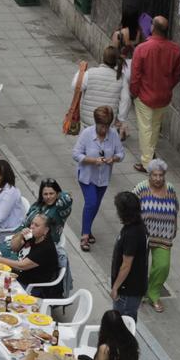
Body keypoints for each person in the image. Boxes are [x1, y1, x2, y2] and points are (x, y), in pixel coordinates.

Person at [128, 15, 180, 168]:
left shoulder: (142, 48)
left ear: (153, 27)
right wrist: (167, 87)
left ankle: (147, 162)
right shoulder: (175, 50)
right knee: (155, 126)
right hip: (163, 96)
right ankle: (150, 154)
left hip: (144, 94)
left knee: (145, 128)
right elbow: (176, 75)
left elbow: (136, 74)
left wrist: (134, 92)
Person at [71, 104, 123, 250]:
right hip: (87, 176)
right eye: (101, 126)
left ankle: (88, 229)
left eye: (107, 126)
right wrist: (93, 161)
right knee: (91, 203)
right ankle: (85, 235)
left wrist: (114, 159)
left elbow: (121, 153)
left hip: (103, 178)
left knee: (95, 205)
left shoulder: (113, 135)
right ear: (96, 123)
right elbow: (76, 154)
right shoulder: (87, 134)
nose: (104, 130)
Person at [136, 160, 179, 312]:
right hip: (143, 234)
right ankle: (138, 293)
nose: (158, 178)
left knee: (163, 266)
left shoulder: (171, 189)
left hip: (164, 234)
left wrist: (175, 226)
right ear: (149, 175)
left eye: (161, 175)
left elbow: (175, 209)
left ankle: (153, 293)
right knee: (139, 265)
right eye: (155, 175)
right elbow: (131, 208)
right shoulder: (141, 189)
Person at [74, 44, 130, 139]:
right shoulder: (121, 78)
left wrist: (80, 71)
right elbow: (126, 99)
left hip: (88, 121)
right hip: (107, 123)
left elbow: (76, 86)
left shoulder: (90, 73)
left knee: (85, 147)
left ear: (103, 58)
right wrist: (121, 118)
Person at [109, 190, 149, 319]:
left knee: (122, 323)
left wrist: (115, 287)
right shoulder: (135, 227)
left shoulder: (132, 233)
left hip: (128, 290)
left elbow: (126, 265)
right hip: (131, 287)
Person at [2, 212, 64, 295]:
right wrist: (21, 235)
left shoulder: (46, 247)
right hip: (18, 276)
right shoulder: (32, 236)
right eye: (32, 223)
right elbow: (14, 247)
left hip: (31, 287)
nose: (32, 227)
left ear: (46, 230)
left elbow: (21, 265)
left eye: (36, 225)